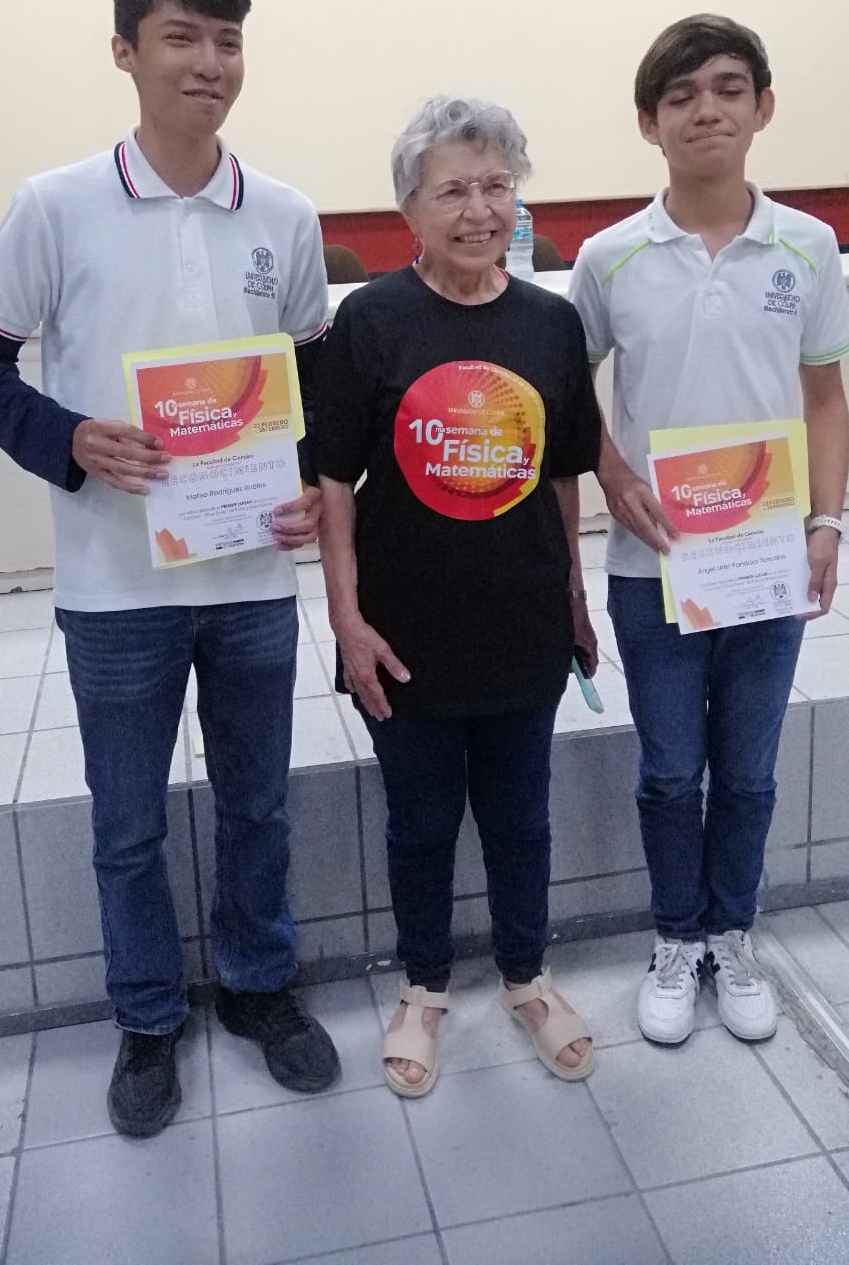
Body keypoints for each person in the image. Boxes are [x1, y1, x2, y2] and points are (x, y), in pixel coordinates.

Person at [0, 0, 340, 1137]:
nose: (208, 62)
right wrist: (69, 438)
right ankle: (147, 1016)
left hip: (251, 574)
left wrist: (311, 482)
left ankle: (260, 986)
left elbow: (316, 381)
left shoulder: (283, 213)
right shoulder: (54, 205)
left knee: (258, 805)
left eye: (227, 40)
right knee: (126, 825)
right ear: (125, 50)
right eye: (181, 37)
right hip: (114, 585)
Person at [570, 15, 849, 1046]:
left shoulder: (809, 246)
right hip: (652, 566)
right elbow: (569, 397)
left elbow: (825, 398)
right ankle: (675, 937)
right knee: (666, 771)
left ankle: (733, 934)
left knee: (748, 772)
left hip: (767, 559)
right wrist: (611, 472)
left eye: (729, 89)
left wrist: (826, 522)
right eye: (681, 95)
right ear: (649, 123)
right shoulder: (609, 257)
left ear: (762, 107)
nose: (707, 110)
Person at [315, 95, 600, 1097]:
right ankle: (424, 990)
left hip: (522, 619)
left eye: (496, 186)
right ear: (410, 208)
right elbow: (331, 482)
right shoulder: (370, 321)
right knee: (421, 822)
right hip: (404, 630)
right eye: (452, 191)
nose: (479, 210)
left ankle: (527, 978)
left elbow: (562, 475)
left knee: (522, 820)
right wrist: (346, 618)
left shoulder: (552, 324)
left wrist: (575, 596)